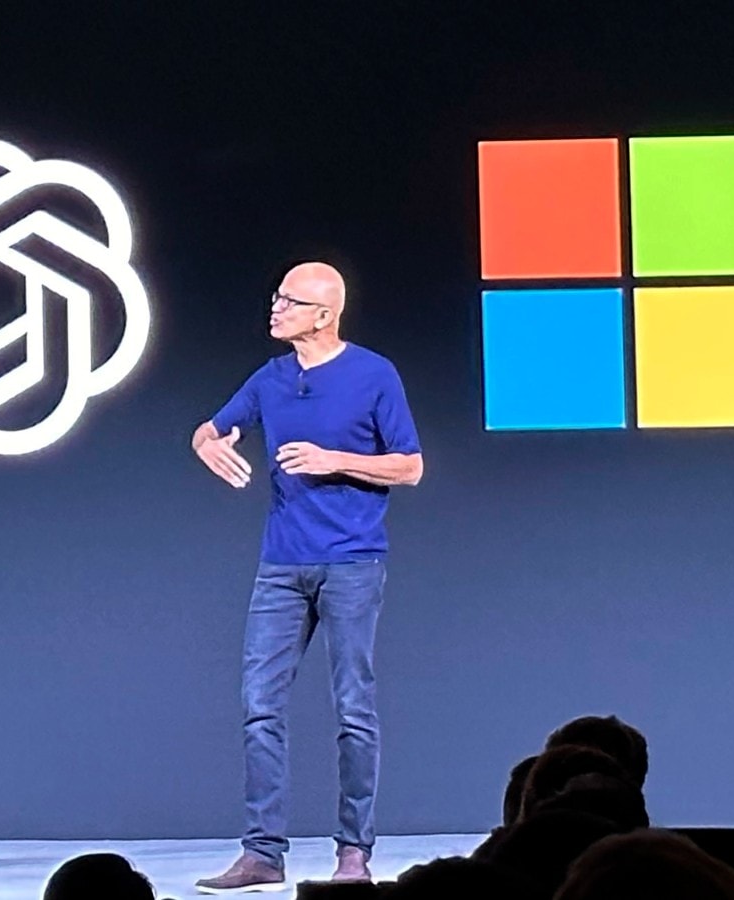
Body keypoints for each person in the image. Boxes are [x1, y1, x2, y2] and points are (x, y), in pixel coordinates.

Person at [193, 262, 423, 892]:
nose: (276, 308)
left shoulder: (373, 374)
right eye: (277, 297)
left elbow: (410, 466)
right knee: (259, 705)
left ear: (325, 314)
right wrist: (206, 442)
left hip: (352, 562)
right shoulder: (271, 377)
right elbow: (213, 427)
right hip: (281, 566)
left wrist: (334, 460)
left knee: (353, 708)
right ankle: (262, 853)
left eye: (289, 301)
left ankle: (354, 852)